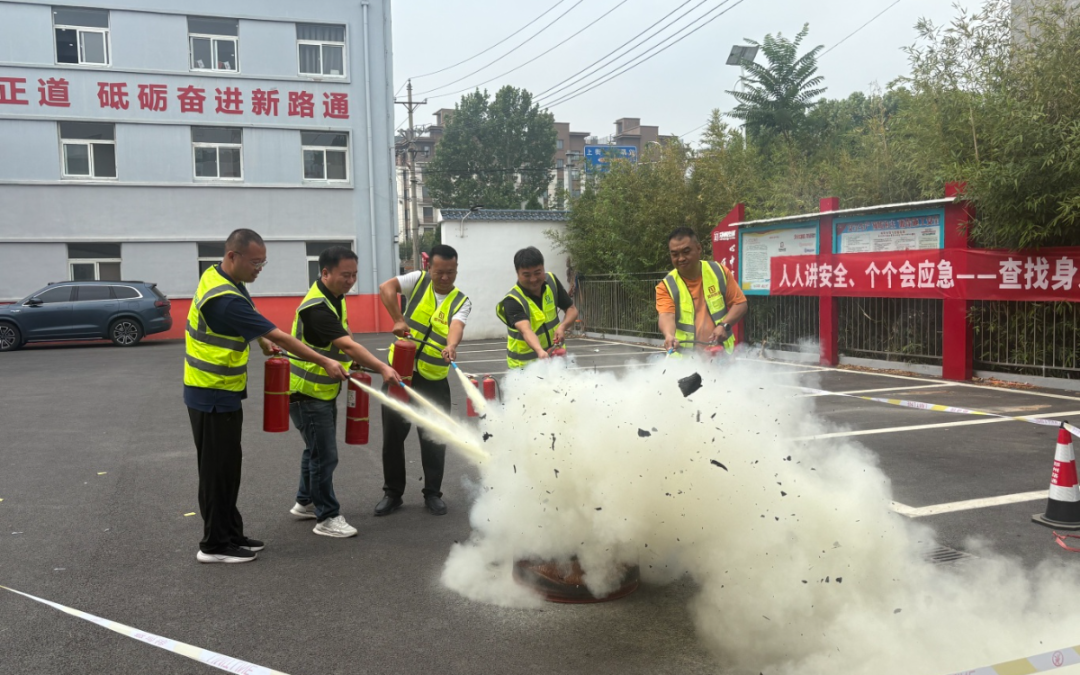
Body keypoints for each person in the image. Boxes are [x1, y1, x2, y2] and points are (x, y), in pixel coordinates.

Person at [185, 229, 348, 564]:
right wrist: (324, 360)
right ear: (233, 256)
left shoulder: (225, 279)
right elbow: (281, 336)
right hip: (210, 393)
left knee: (229, 468)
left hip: (223, 392)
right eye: (255, 262)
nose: (259, 269)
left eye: (263, 263)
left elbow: (250, 322)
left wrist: (260, 340)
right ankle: (214, 545)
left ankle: (232, 533)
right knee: (217, 472)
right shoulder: (224, 297)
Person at [287, 246, 402, 538]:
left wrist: (364, 364)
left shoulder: (334, 297)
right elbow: (348, 345)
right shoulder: (316, 308)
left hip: (320, 391)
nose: (351, 281)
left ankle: (305, 502)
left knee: (314, 450)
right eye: (345, 275)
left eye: (354, 275)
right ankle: (327, 517)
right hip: (307, 394)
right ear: (325, 273)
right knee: (324, 456)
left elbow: (342, 341)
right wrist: (383, 367)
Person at [375, 244, 470, 516]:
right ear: (429, 268)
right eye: (440, 272)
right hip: (400, 373)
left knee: (434, 437)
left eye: (451, 272)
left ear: (456, 269)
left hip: (434, 379)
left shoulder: (461, 301)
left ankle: (433, 494)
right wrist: (397, 318)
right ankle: (392, 493)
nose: (445, 277)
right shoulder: (417, 280)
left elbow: (456, 325)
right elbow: (386, 288)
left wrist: (451, 345)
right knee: (393, 436)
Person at [656, 227, 747, 354]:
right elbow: (666, 315)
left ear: (699, 248)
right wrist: (669, 335)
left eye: (686, 252)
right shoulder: (666, 286)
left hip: (721, 356)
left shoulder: (718, 272)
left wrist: (724, 325)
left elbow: (740, 303)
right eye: (675, 254)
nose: (681, 258)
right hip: (685, 359)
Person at [496, 246, 579, 369]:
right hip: (524, 368)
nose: (533, 279)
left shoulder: (551, 282)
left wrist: (562, 327)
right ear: (517, 274)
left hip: (556, 360)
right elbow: (526, 330)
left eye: (537, 273)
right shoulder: (512, 300)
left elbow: (571, 309)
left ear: (543, 268)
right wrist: (539, 351)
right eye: (527, 275)